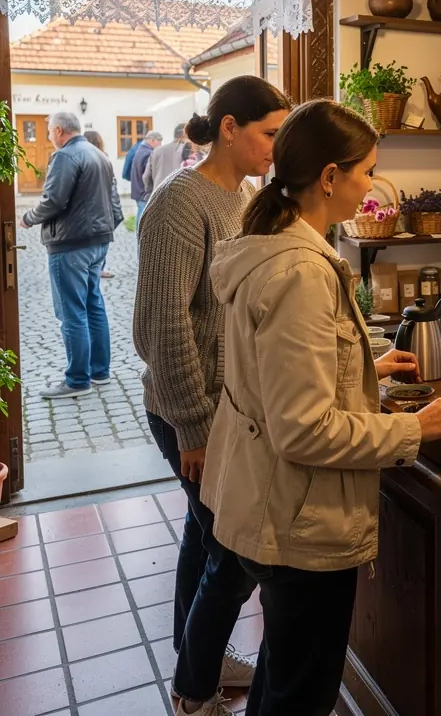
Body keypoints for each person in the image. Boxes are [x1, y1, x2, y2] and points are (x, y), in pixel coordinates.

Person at [202, 100, 441, 716]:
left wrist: (359, 370)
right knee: (300, 693)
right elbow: (302, 429)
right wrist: (412, 428)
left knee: (281, 669)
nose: (370, 186)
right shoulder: (301, 271)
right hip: (298, 515)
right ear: (328, 177)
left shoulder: (274, 242)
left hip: (271, 499)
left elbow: (278, 379)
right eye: (366, 171)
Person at [133, 76, 291, 716]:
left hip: (231, 409)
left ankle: (189, 654)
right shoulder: (178, 204)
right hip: (190, 412)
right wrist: (194, 426)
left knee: (204, 539)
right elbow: (162, 325)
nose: (275, 149)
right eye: (268, 134)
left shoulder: (246, 195)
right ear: (229, 127)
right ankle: (194, 690)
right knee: (233, 551)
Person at [22, 112, 122, 399]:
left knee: (72, 312)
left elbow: (53, 200)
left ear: (58, 130)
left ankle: (78, 380)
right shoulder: (99, 154)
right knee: (93, 305)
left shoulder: (66, 156)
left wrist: (28, 217)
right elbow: (114, 205)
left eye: (49, 132)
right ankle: (100, 371)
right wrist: (103, 232)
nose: (49, 137)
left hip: (70, 244)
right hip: (96, 242)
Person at [83, 130, 117, 280]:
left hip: (91, 208)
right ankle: (98, 267)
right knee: (101, 242)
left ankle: (94, 268)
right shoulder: (105, 158)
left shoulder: (83, 158)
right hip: (105, 207)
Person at [146, 122, 199, 194]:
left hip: (157, 194)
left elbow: (146, 176)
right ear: (185, 135)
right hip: (179, 195)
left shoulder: (157, 151)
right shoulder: (188, 150)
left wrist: (149, 191)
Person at [130, 130, 163, 221]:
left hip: (138, 189)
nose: (160, 144)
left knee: (141, 215)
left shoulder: (140, 150)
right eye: (159, 141)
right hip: (143, 191)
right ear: (153, 141)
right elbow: (148, 175)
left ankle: (139, 234)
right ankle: (140, 235)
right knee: (143, 218)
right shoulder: (148, 153)